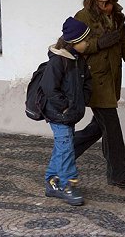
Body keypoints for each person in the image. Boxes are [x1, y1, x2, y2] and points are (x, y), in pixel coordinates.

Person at [73, 0, 125, 189]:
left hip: (112, 80)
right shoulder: (83, 16)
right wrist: (98, 44)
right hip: (95, 83)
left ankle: (65, 152)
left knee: (97, 128)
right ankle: (118, 175)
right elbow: (73, 46)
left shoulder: (116, 14)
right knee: (113, 131)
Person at [42, 17, 92, 206]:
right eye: (85, 40)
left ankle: (51, 181)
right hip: (59, 114)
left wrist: (83, 99)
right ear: (75, 41)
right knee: (66, 148)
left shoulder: (77, 59)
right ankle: (67, 185)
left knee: (63, 146)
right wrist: (65, 106)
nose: (88, 43)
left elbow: (87, 81)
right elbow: (49, 88)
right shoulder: (58, 61)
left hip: (70, 113)